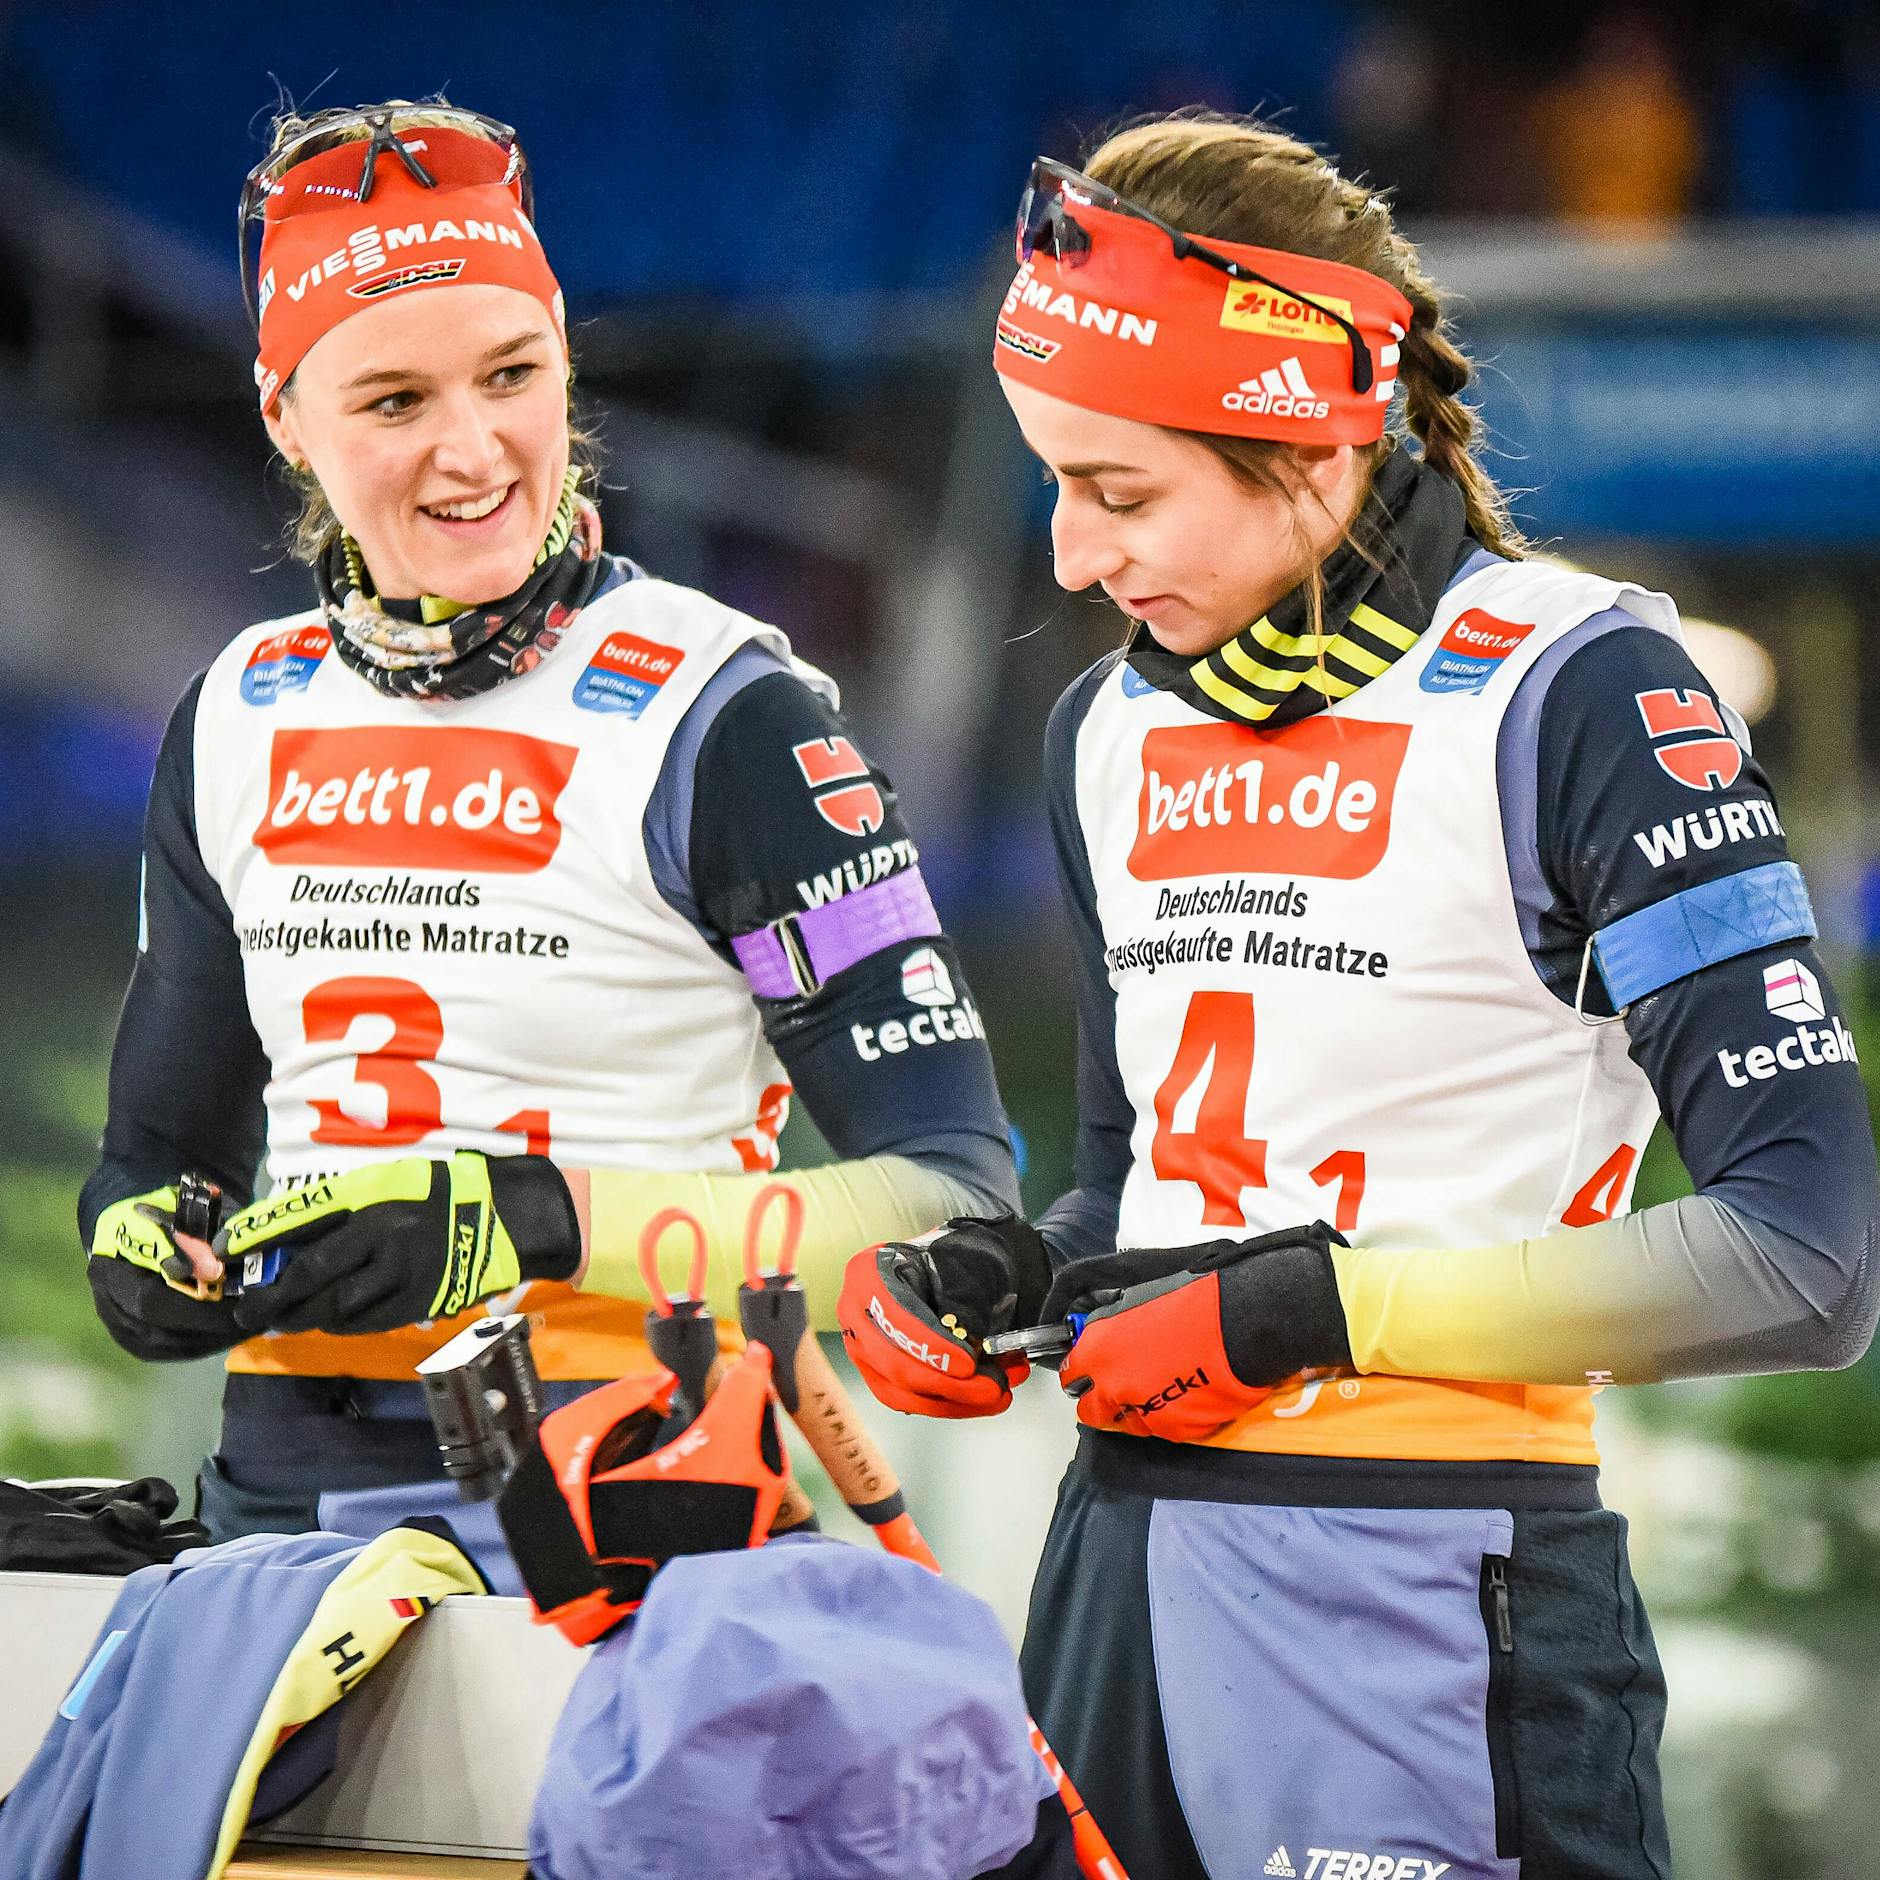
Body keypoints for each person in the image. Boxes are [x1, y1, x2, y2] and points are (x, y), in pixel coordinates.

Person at [839, 114, 1880, 1879]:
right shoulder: (1106, 728)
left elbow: (1810, 1258)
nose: (1077, 559)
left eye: (1122, 491)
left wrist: (1306, 1317)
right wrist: (1008, 1273)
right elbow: (1133, 1185)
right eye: (1054, 484)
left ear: (1312, 443)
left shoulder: (1580, 689)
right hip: (1118, 1576)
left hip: (1436, 1585)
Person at [78, 100, 1017, 1542]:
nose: (473, 452)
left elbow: (953, 1204)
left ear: (565, 360)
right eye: (393, 403)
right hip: (287, 1512)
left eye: (511, 375)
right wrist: (139, 1241)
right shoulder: (234, 711)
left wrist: (529, 1220)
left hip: (636, 1506)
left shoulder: (735, 713)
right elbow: (160, 1162)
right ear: (286, 418)